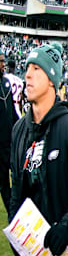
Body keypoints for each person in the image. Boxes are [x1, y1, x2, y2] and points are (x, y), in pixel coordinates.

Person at [8, 43, 68, 256]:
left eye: (36, 69)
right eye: (27, 68)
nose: (27, 75)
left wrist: (66, 227)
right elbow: (16, 190)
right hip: (38, 254)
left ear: (51, 79)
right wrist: (15, 231)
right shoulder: (19, 131)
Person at [0, 52, 17, 212]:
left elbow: (12, 111)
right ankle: (13, 213)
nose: (3, 64)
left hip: (10, 142)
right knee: (3, 182)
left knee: (17, 177)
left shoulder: (5, 82)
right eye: (0, 61)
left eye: (3, 61)